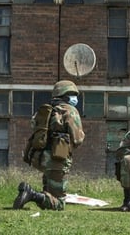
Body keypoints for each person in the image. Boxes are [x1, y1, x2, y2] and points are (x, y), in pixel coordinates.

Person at [13, 80, 85, 210]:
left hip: (40, 158)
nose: (75, 98)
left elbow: (34, 127)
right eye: (72, 95)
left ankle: (31, 194)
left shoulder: (46, 110)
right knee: (59, 203)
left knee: (49, 193)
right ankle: (31, 194)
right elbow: (78, 138)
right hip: (57, 159)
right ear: (66, 95)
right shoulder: (70, 110)